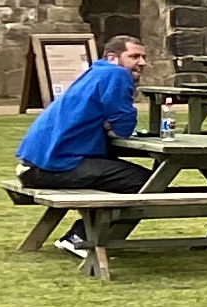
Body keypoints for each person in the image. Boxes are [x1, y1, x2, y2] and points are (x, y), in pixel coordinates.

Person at [14, 28, 146, 252]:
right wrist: (113, 124)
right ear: (113, 58)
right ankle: (81, 239)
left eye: (144, 57)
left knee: (120, 175)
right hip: (54, 167)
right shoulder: (115, 74)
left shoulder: (95, 72)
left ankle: (77, 236)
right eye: (134, 57)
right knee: (146, 184)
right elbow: (123, 124)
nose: (141, 63)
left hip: (35, 165)